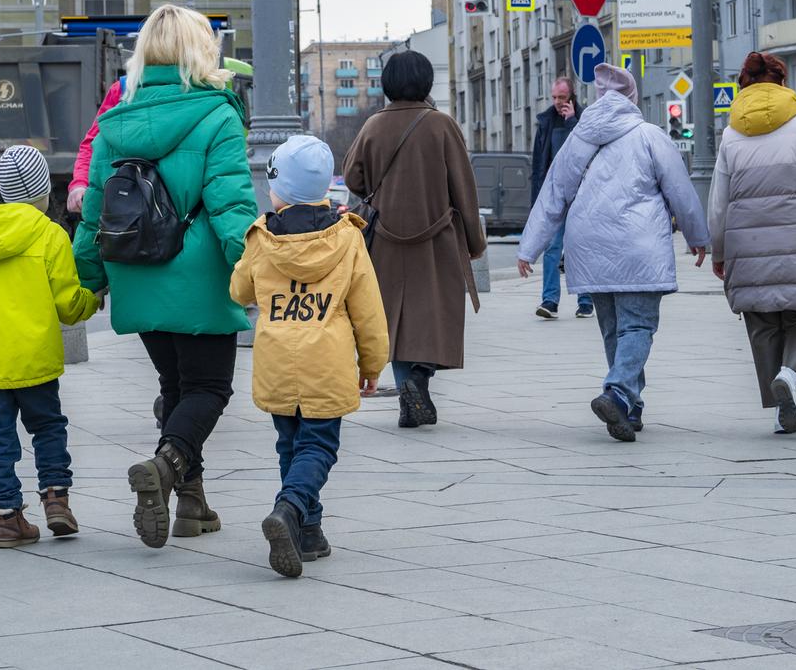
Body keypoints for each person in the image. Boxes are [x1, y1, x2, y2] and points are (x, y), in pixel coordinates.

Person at [73, 4, 257, 549]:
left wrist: (87, 279)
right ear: (200, 51)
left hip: (136, 272)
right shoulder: (218, 114)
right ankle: (165, 465)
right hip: (197, 278)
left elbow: (95, 213)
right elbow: (230, 206)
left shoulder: (114, 122)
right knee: (209, 387)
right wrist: (254, 268)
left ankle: (193, 506)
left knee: (175, 387)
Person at [517, 64, 709, 442]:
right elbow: (680, 190)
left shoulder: (579, 139)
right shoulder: (650, 136)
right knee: (637, 326)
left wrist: (530, 247)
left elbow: (554, 192)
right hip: (639, 245)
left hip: (588, 245)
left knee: (612, 329)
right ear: (632, 99)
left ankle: (630, 407)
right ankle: (619, 391)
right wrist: (697, 236)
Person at [229, 135, 389, 578]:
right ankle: (291, 508)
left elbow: (238, 290)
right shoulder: (347, 239)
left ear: (279, 188)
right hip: (327, 361)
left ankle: (308, 531)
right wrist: (372, 365)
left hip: (278, 359)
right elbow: (368, 311)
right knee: (318, 446)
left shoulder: (263, 238)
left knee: (290, 444)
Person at [0, 145, 100, 548]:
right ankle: (56, 501)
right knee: (48, 427)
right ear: (41, 190)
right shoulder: (50, 234)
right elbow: (67, 305)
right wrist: (93, 299)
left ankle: (8, 519)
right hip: (35, 359)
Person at [344, 50, 486, 429]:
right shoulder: (441, 125)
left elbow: (353, 179)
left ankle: (408, 387)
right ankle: (419, 380)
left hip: (386, 242)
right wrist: (474, 240)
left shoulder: (372, 126)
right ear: (426, 82)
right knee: (436, 315)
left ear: (387, 84)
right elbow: (464, 188)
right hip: (436, 238)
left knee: (394, 320)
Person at [709, 52, 796, 434]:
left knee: (762, 321)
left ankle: (779, 406)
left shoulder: (730, 133)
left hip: (746, 246)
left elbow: (718, 201)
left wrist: (718, 250)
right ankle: (789, 375)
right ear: (783, 83)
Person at [531, 77, 594, 319]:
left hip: (581, 194)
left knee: (581, 247)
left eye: (562, 98)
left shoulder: (583, 119)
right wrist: (537, 199)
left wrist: (571, 123)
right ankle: (550, 301)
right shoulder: (545, 122)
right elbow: (539, 162)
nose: (557, 102)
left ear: (572, 97)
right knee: (552, 247)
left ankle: (586, 301)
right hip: (555, 193)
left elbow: (583, 149)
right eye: (554, 97)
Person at [66, 77, 126, 215]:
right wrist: (80, 182)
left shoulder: (123, 89)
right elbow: (92, 144)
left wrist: (80, 183)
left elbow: (92, 144)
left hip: (123, 205)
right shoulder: (121, 90)